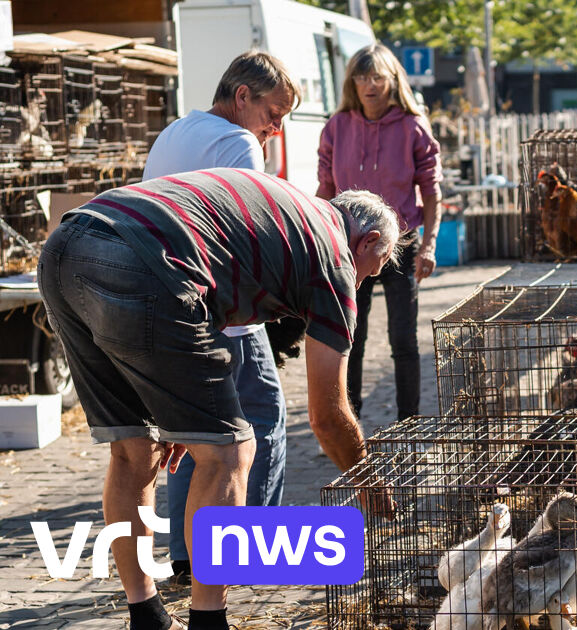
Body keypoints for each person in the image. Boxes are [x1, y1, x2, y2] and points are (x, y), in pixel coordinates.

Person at [37, 170, 399, 630]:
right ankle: (210, 620)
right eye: (378, 269)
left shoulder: (290, 212)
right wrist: (366, 477)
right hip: (144, 260)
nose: (367, 282)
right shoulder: (335, 257)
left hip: (67, 244)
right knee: (229, 452)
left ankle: (145, 615)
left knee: (133, 448)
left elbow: (209, 310)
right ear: (367, 242)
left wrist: (180, 411)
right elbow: (327, 416)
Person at [142, 50, 299, 588]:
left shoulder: (177, 130)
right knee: (262, 419)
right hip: (221, 305)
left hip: (169, 298)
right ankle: (245, 553)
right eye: (274, 113)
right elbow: (242, 231)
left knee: (198, 430)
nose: (276, 128)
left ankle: (188, 556)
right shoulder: (238, 143)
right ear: (242, 97)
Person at [317, 43, 442, 421]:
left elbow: (432, 191)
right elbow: (324, 189)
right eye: (361, 76)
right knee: (350, 338)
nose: (369, 84)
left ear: (392, 81)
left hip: (401, 244)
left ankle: (409, 423)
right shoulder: (337, 126)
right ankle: (345, 420)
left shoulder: (412, 126)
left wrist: (429, 246)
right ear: (351, 82)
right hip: (348, 246)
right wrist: (316, 243)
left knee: (403, 340)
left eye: (377, 77)